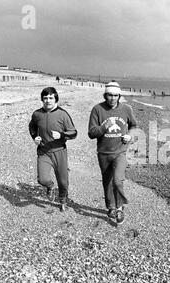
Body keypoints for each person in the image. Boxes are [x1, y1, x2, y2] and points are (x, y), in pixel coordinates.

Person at [88, 81, 137, 224]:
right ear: (105, 95)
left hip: (120, 152)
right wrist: (104, 128)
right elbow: (91, 133)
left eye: (116, 95)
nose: (112, 98)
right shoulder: (97, 109)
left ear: (119, 96)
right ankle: (111, 207)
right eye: (110, 95)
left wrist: (130, 135)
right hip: (103, 153)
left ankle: (120, 208)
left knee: (117, 180)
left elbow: (133, 125)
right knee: (107, 181)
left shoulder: (126, 109)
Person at [28, 87, 77, 212]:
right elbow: (32, 126)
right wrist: (35, 137)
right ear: (42, 99)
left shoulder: (63, 114)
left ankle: (63, 200)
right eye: (45, 98)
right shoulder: (37, 114)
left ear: (56, 99)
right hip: (43, 151)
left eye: (51, 98)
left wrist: (61, 135)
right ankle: (50, 187)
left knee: (63, 180)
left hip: (59, 151)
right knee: (42, 179)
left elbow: (74, 133)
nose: (48, 101)